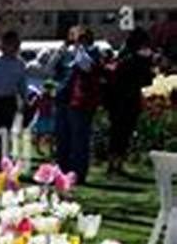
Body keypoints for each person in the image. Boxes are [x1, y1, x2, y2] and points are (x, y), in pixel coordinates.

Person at [104, 29, 154, 176]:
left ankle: (112, 164)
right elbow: (147, 80)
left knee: (115, 132)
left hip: (116, 99)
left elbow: (112, 73)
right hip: (131, 100)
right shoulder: (141, 60)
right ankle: (118, 163)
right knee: (124, 133)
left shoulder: (123, 58)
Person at [61, 27, 101, 183]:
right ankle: (67, 171)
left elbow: (86, 66)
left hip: (83, 102)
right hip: (72, 101)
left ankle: (78, 173)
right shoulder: (76, 53)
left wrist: (79, 49)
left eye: (78, 39)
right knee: (69, 138)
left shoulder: (92, 54)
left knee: (80, 140)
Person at [29, 80, 56, 157]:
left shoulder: (52, 98)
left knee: (52, 135)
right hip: (41, 117)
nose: (49, 90)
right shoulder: (40, 97)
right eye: (47, 88)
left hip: (50, 117)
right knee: (39, 134)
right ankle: (38, 149)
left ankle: (51, 150)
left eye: (50, 88)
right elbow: (32, 104)